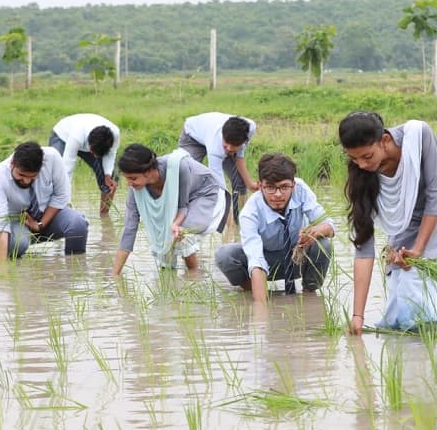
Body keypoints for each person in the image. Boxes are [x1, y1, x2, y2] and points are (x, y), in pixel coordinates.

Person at [339, 111, 437, 334]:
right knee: (400, 292)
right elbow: (363, 249)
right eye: (354, 158)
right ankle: (411, 347)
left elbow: (435, 196)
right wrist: (357, 316)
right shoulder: (362, 174)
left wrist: (419, 249)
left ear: (384, 140)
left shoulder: (417, 135)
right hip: (408, 220)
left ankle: (433, 346)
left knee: (417, 280)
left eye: (367, 156)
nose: (361, 165)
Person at [215, 153, 335, 302]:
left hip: (297, 257)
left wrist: (317, 231)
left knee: (323, 244)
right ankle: (255, 291)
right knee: (225, 255)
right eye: (270, 187)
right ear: (260, 186)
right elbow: (255, 260)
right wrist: (261, 314)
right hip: (268, 260)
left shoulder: (301, 190)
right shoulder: (250, 212)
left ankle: (309, 295)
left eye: (284, 187)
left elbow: (329, 224)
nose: (278, 194)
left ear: (293, 185)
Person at [112, 144, 230, 276]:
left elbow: (182, 206)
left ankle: (194, 277)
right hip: (181, 203)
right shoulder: (136, 190)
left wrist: (176, 224)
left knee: (182, 234)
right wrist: (115, 275)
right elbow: (129, 228)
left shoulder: (178, 167)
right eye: (126, 178)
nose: (129, 183)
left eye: (133, 178)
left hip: (204, 193)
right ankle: (170, 281)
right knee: (163, 239)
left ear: (147, 171)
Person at [0, 141, 89, 263]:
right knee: (18, 245)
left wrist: (40, 224)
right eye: (21, 175)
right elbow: (0, 223)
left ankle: (75, 267)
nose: (26, 181)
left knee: (77, 224)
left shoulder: (52, 158)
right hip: (18, 223)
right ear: (12, 164)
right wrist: (1, 268)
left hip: (49, 216)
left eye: (32, 177)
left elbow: (61, 195)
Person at [178, 112, 259, 220]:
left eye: (233, 146)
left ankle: (240, 220)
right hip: (193, 137)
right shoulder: (216, 147)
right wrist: (226, 216)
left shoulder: (250, 127)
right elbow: (219, 185)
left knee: (240, 182)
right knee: (186, 176)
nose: (229, 149)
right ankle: (185, 217)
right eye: (226, 145)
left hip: (214, 134)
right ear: (223, 136)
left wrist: (249, 183)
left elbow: (239, 155)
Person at [48, 113, 120, 215]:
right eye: (93, 153)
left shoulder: (115, 134)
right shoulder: (78, 134)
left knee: (111, 177)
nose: (94, 157)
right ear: (89, 145)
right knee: (56, 173)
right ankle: (57, 212)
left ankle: (104, 216)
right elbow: (67, 168)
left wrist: (107, 174)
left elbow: (111, 154)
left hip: (92, 142)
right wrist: (66, 201)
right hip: (62, 136)